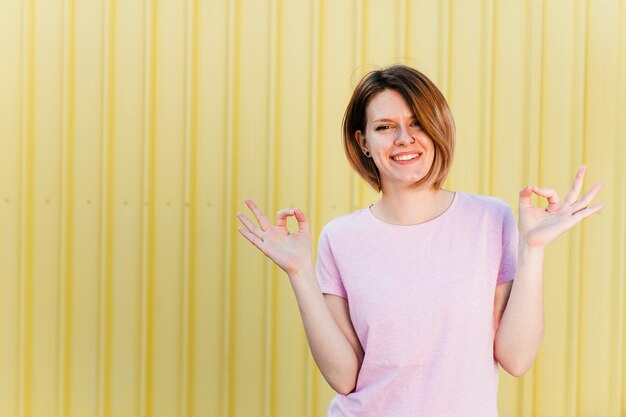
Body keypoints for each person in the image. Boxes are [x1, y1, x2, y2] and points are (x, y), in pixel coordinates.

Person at [235, 65, 604, 416]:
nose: (404, 139)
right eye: (385, 127)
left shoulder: (490, 220)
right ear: (363, 142)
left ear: (437, 128)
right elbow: (344, 378)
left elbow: (516, 359)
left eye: (417, 124)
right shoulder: (341, 238)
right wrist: (299, 272)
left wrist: (533, 250)